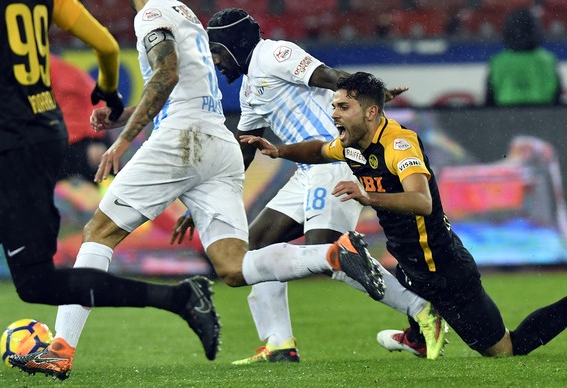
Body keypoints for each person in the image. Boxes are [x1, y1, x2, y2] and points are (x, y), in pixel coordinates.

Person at [8, 0, 384, 380]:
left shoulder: (151, 15)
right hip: (218, 143)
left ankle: (60, 349)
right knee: (233, 267)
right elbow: (179, 84)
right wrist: (121, 114)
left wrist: (123, 140)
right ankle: (332, 256)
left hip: (181, 139)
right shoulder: (185, 14)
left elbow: (166, 75)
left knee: (99, 233)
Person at [172, 7, 445, 364]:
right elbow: (244, 154)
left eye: (219, 52)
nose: (217, 62)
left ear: (235, 45)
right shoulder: (248, 91)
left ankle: (423, 310)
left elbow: (333, 78)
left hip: (334, 162)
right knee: (254, 249)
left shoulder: (275, 54)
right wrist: (208, 201)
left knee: (327, 252)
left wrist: (370, 97)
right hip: (307, 172)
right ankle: (279, 343)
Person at [241, 71, 567, 357]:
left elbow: (421, 201)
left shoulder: (399, 145)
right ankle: (417, 338)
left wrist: (369, 197)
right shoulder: (353, 143)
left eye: (343, 107)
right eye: (334, 106)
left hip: (443, 271)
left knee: (505, 350)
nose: (334, 114)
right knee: (399, 290)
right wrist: (278, 151)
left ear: (370, 112)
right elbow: (318, 150)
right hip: (410, 266)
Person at [0, 0, 219, 381]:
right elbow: (108, 47)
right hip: (45, 136)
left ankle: (179, 298)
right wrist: (109, 92)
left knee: (36, 282)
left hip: (10, 144)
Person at [50, 54, 112, 184]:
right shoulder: (59, 67)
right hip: (90, 135)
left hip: (81, 139)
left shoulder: (45, 69)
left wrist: (93, 139)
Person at [485, 7, 562, 106]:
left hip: (505, 116)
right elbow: (557, 98)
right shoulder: (548, 60)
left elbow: (489, 101)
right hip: (542, 116)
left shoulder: (498, 61)